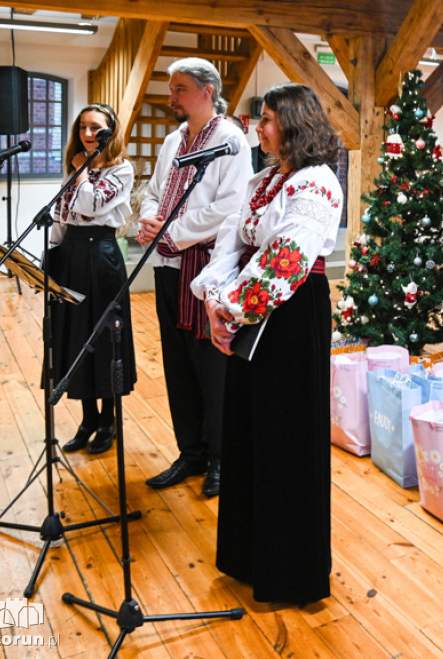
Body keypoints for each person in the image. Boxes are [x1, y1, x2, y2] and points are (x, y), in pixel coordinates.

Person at [191, 83, 342, 604]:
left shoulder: (316, 182)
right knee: (249, 429)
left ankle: (289, 570)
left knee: (285, 436)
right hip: (251, 308)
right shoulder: (262, 180)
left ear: (296, 124)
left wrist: (231, 308)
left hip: (292, 312)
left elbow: (287, 260)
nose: (260, 128)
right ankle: (248, 554)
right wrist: (214, 296)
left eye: (269, 119)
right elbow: (229, 244)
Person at [137, 58, 252, 497]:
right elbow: (152, 192)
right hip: (167, 265)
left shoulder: (231, 140)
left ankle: (223, 457)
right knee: (178, 365)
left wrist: (169, 231)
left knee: (211, 368)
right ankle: (191, 450)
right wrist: (150, 221)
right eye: (172, 89)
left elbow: (228, 207)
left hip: (206, 269)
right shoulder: (172, 141)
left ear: (207, 91)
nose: (172, 98)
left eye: (180, 89)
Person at [49, 103, 136, 454]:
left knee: (104, 338)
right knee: (76, 336)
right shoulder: (73, 167)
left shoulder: (121, 169)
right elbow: (62, 215)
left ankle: (108, 419)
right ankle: (87, 418)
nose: (88, 134)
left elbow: (90, 205)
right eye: (83, 127)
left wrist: (81, 173)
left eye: (96, 128)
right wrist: (50, 257)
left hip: (101, 258)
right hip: (71, 256)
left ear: (110, 132)